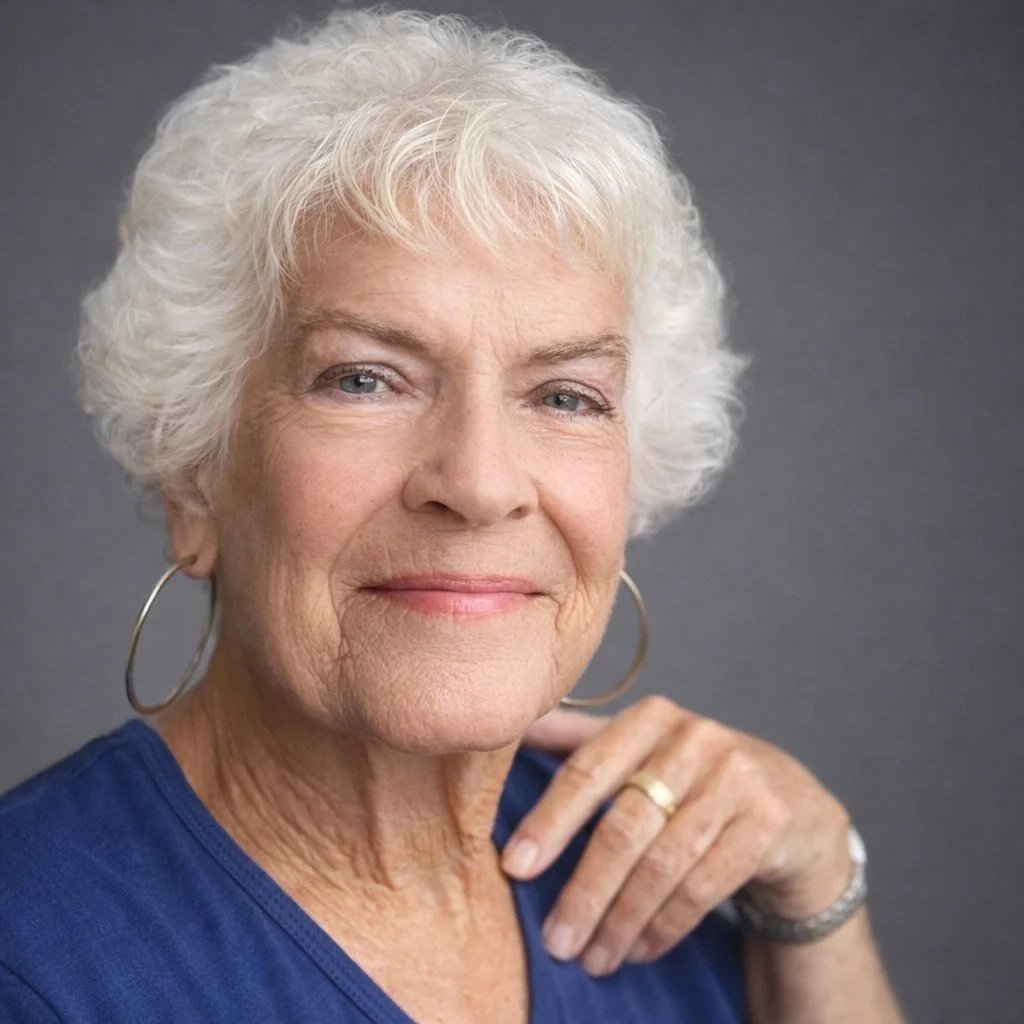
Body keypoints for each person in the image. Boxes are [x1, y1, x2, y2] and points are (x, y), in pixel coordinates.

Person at [0, 8, 904, 1023]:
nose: (478, 483)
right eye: (365, 379)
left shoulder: (669, 882)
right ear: (192, 475)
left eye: (565, 395)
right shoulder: (32, 958)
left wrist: (820, 895)